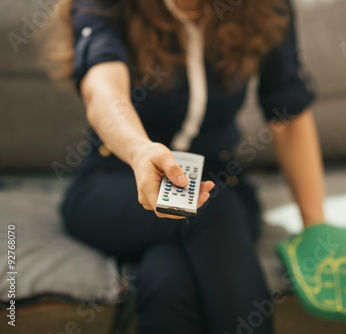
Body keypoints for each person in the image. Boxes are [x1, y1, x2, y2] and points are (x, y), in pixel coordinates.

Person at [50, 0, 326, 332]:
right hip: (113, 182)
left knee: (167, 275)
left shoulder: (266, 6)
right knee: (206, 208)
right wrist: (140, 151)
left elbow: (288, 112)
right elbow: (103, 89)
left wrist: (317, 229)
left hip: (220, 183)